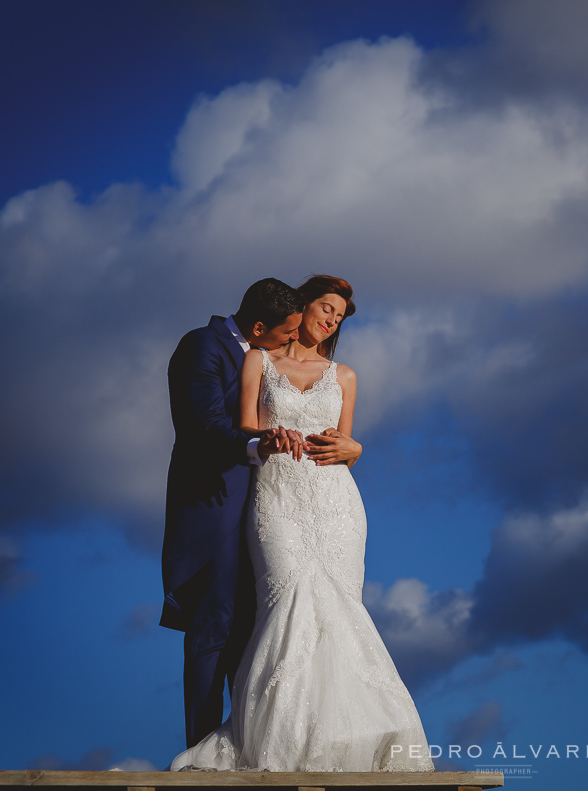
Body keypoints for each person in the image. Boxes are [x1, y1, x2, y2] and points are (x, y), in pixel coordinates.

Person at [169, 275, 434, 772]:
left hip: (336, 506)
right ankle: (276, 741)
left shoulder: (346, 376)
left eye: (340, 315)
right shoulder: (257, 359)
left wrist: (356, 450)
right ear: (305, 305)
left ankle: (344, 739)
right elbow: (244, 427)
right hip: (278, 496)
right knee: (287, 603)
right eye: (327, 307)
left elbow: (343, 449)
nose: (332, 319)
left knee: (339, 611)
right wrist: (270, 436)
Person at [160, 277, 307, 749]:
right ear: (260, 325)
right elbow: (202, 425)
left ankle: (248, 745)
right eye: (287, 332)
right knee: (215, 625)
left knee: (256, 628)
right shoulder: (202, 346)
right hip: (217, 503)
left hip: (267, 510)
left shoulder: (266, 355)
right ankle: (201, 752)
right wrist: (257, 443)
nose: (293, 339)